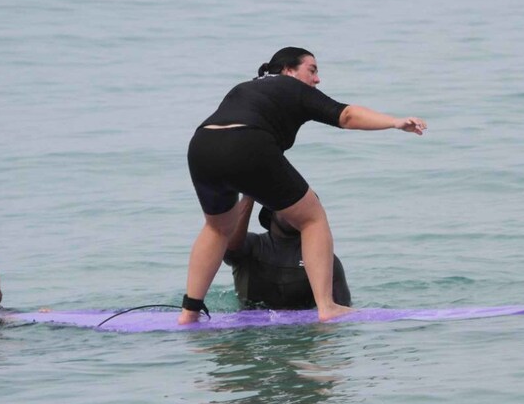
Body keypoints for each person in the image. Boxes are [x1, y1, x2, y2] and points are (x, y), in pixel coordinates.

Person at [181, 47, 426, 324]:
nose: (317, 79)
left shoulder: (245, 88)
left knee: (216, 229)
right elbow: (345, 115)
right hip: (248, 142)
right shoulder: (290, 86)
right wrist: (394, 122)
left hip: (201, 146)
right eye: (312, 70)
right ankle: (327, 307)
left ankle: (189, 314)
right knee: (312, 218)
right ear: (288, 70)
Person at [224, 196, 351, 309]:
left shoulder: (325, 259)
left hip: (302, 333)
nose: (296, 211)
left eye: (304, 207)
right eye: (290, 205)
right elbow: (229, 251)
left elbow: (341, 311)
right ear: (270, 212)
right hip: (249, 331)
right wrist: (249, 196)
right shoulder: (252, 245)